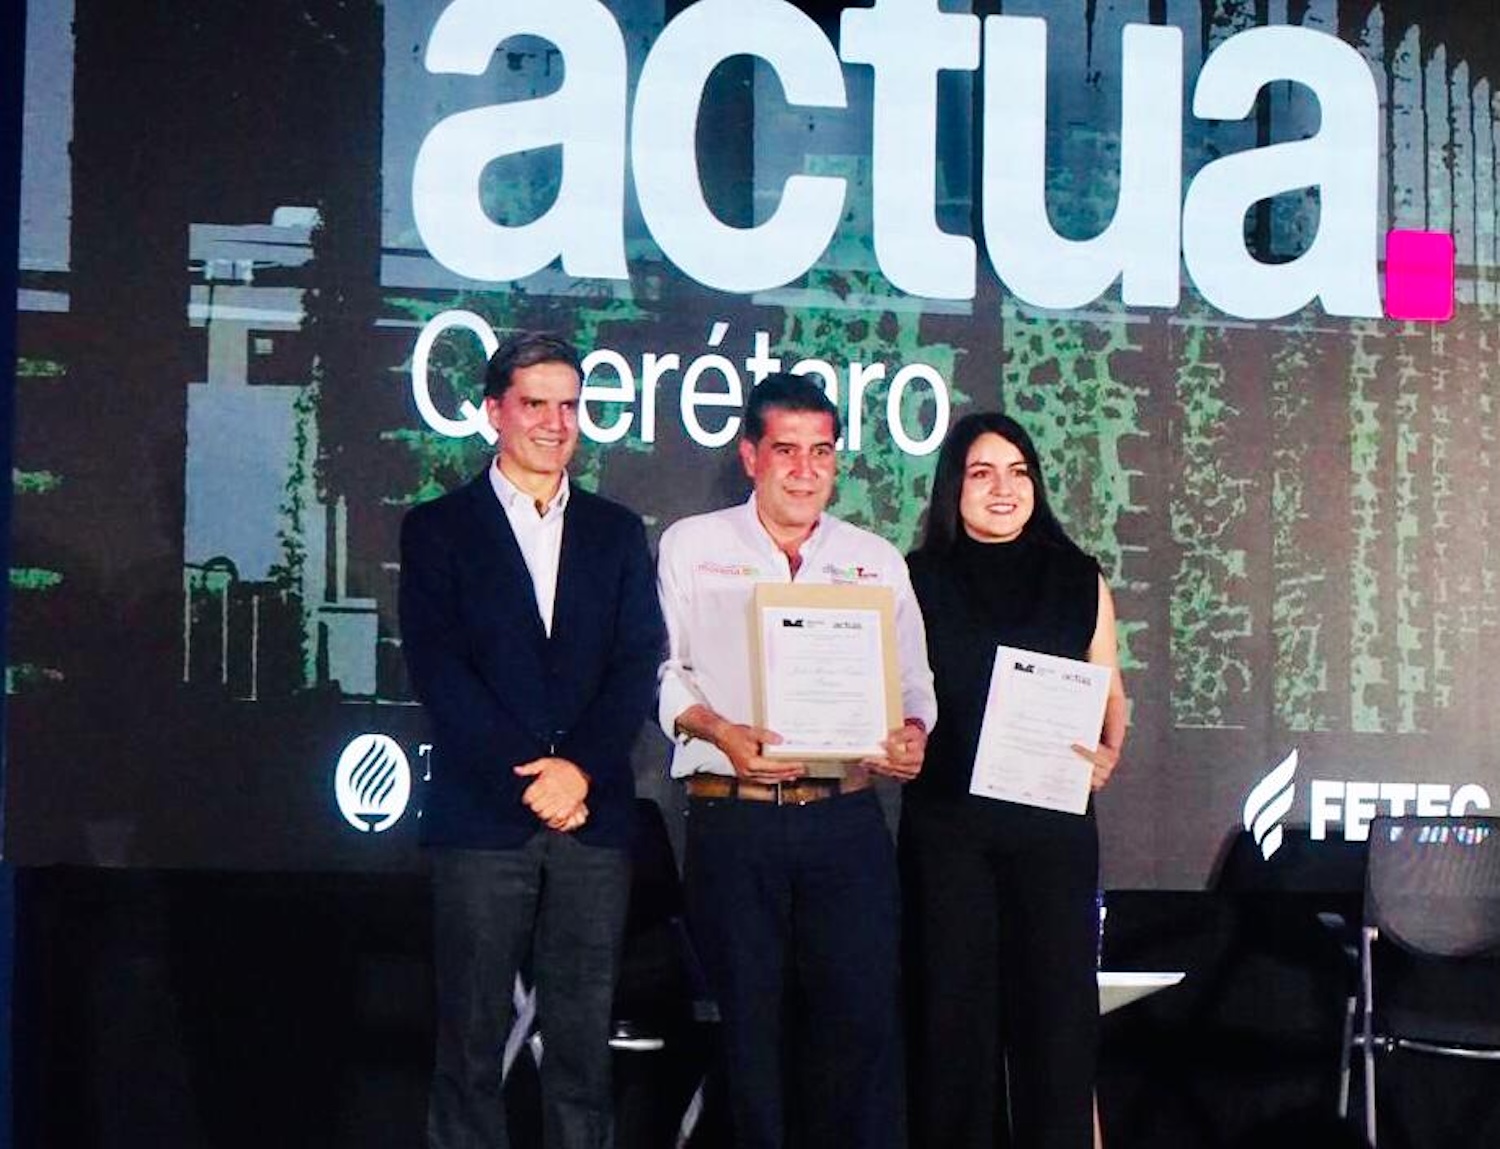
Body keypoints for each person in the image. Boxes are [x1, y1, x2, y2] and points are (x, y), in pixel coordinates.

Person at [399, 331, 666, 1149]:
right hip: (483, 816)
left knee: (583, 1048)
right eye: (535, 404)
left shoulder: (616, 531)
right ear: (494, 411)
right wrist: (534, 777)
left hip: (593, 818)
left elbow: (635, 662)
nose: (555, 423)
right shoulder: (438, 528)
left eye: (569, 406)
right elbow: (439, 668)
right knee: (470, 1044)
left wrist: (578, 770)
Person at [656, 372, 937, 1149]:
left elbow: (915, 681)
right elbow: (663, 669)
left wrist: (912, 731)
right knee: (749, 1033)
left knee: (860, 1026)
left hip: (844, 822)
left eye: (821, 451)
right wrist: (719, 728)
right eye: (786, 450)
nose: (805, 470)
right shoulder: (692, 545)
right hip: (733, 818)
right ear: (751, 455)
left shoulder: (874, 559)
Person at [901, 411, 1127, 1149]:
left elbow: (1110, 693)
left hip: (1052, 832)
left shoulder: (1078, 575)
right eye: (982, 473)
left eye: (1018, 472)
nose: (1003, 488)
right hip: (948, 833)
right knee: (951, 1029)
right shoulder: (916, 578)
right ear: (953, 488)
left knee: (1057, 1027)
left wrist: (1108, 751)